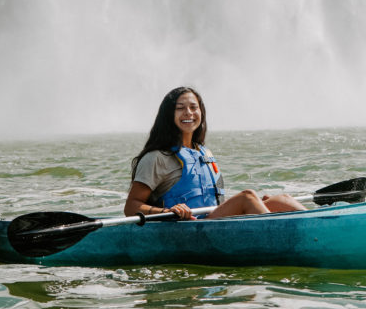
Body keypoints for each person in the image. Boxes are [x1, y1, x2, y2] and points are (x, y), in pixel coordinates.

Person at [124, 86, 306, 220]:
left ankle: (321, 226)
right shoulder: (156, 158)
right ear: (168, 115)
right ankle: (281, 236)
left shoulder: (203, 152)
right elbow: (131, 207)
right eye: (180, 108)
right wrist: (169, 212)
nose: (188, 113)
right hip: (189, 228)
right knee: (247, 197)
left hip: (213, 221)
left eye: (194, 108)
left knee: (279, 199)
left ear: (201, 112)